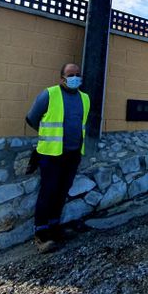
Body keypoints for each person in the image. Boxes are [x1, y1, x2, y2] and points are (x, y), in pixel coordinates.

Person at [25, 63, 90, 253]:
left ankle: (55, 226)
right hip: (51, 154)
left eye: (78, 74)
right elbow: (31, 118)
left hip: (73, 153)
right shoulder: (49, 94)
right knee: (48, 191)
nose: (75, 78)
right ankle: (41, 233)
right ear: (62, 77)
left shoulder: (84, 98)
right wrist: (47, 135)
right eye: (71, 75)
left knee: (62, 191)